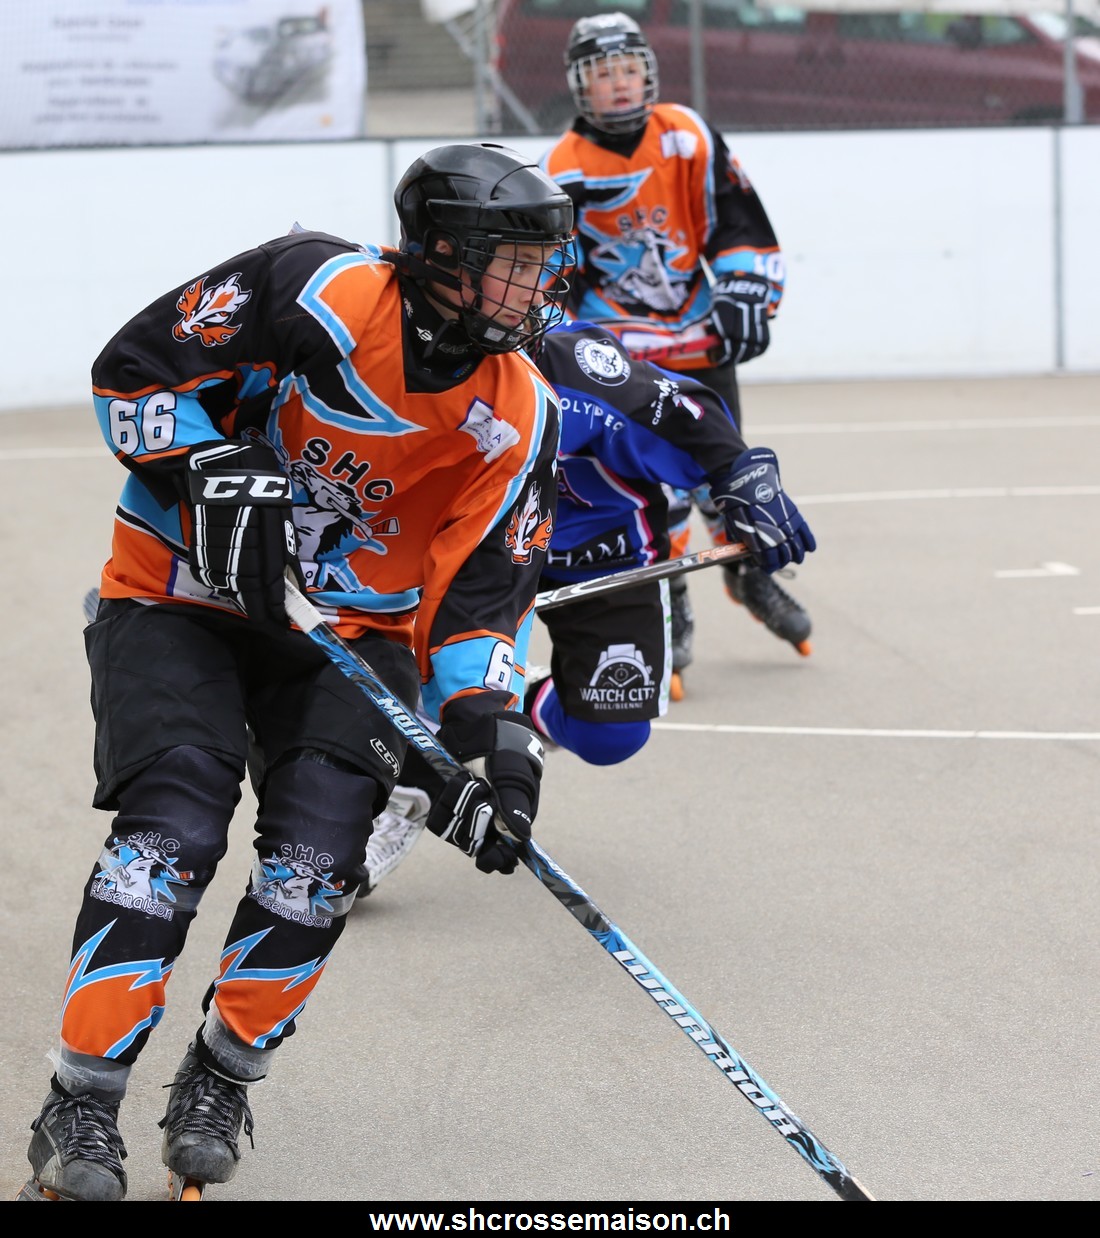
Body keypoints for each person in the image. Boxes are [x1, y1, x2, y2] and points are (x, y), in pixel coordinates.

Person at [19, 142, 574, 1202]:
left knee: (317, 861)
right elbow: (132, 375)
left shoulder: (517, 417)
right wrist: (210, 467)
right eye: (515, 263)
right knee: (172, 826)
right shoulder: (312, 287)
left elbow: (475, 607)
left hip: (350, 635)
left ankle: (221, 1077)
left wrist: (491, 747)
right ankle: (81, 1098)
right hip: (178, 594)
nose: (536, 285)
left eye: (541, 264)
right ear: (444, 256)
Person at [357, 318, 815, 893]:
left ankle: (521, 700)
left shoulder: (579, 371)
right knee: (445, 688)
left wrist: (741, 475)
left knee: (610, 736)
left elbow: (679, 410)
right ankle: (412, 786)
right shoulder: (404, 372)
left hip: (599, 550)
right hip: (479, 553)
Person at [539, 11, 813, 684]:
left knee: (729, 474)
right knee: (658, 493)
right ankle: (674, 599)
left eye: (630, 69)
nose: (619, 84)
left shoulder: (687, 135)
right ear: (579, 84)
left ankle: (749, 575)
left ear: (649, 74)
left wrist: (746, 290)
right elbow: (557, 277)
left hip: (698, 341)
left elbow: (738, 221)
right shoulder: (561, 168)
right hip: (621, 356)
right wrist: (564, 349)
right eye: (604, 73)